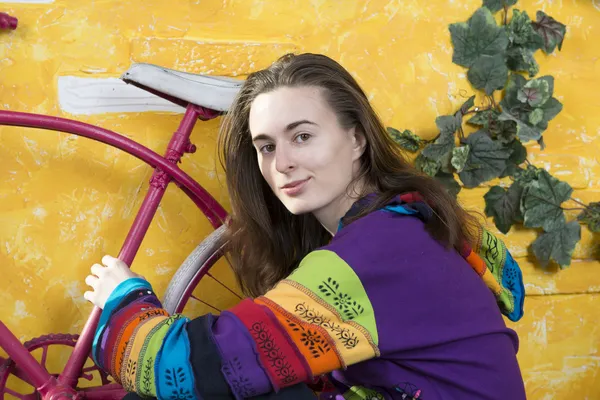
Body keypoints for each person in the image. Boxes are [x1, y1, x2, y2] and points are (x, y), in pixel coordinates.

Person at [84, 53, 527, 400]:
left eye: (302, 136)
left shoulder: (379, 251)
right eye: (266, 146)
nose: (282, 164)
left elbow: (186, 369)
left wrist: (123, 299)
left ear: (356, 138)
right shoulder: (409, 220)